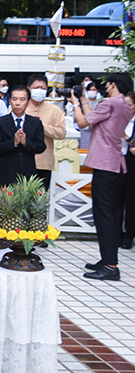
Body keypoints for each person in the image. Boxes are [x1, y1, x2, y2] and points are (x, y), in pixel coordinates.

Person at [70, 73, 133, 281]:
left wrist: (76, 103)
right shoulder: (123, 104)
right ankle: (107, 259)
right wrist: (84, 101)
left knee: (104, 215)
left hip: (104, 164)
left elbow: (82, 122)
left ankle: (110, 265)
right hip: (117, 163)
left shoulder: (109, 102)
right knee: (113, 214)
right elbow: (94, 118)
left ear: (113, 84)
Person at [0, 86, 46, 188]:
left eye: (22, 99)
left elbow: (41, 147)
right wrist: (14, 142)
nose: (18, 103)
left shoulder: (35, 123)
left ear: (28, 102)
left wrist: (26, 142)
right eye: (14, 99)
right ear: (9, 101)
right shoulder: (0, 122)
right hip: (6, 174)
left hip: (28, 175)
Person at [24, 74, 66, 189]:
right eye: (36, 88)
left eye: (42, 88)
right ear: (29, 88)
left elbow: (61, 134)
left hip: (44, 162)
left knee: (40, 200)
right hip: (22, 161)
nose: (39, 91)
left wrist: (41, 126)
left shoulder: (55, 110)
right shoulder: (20, 107)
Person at [120, 91, 135, 250]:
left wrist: (125, 137)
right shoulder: (117, 119)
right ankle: (116, 233)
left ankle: (129, 234)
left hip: (131, 164)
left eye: (129, 105)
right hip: (115, 162)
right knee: (115, 200)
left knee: (129, 201)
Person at [79, 82, 103, 149]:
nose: (92, 92)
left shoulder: (101, 103)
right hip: (85, 129)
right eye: (90, 90)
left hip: (96, 130)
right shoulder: (83, 102)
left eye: (94, 90)